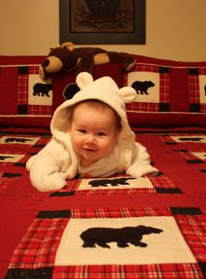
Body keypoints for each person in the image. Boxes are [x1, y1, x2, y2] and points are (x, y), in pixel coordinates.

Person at [26, 72, 158, 192]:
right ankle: (33, 160)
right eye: (82, 131)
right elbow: (42, 166)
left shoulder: (120, 151)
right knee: (39, 162)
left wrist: (139, 166)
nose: (90, 140)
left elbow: (139, 152)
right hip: (49, 160)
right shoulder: (62, 148)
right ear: (69, 129)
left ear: (116, 136)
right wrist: (49, 181)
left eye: (100, 134)